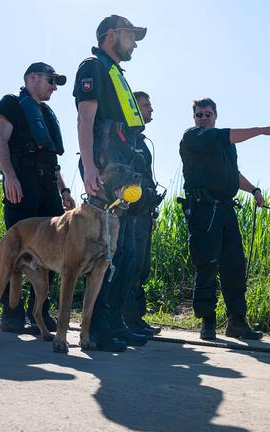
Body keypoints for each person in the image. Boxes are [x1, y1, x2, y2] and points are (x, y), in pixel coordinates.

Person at [73, 15, 152, 352]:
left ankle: (115, 320)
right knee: (110, 250)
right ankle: (97, 328)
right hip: (106, 169)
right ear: (110, 36)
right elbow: (85, 117)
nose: (134, 42)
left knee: (129, 252)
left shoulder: (116, 72)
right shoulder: (93, 67)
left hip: (124, 167)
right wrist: (90, 167)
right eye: (130, 35)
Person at [179, 98, 270, 340]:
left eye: (208, 114)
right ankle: (208, 323)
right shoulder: (193, 137)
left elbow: (233, 174)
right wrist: (262, 130)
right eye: (199, 114)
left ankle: (237, 323)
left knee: (235, 266)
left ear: (216, 115)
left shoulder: (227, 145)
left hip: (227, 211)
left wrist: (254, 190)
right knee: (207, 264)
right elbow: (227, 135)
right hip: (204, 210)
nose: (204, 118)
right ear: (194, 118)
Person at [0, 62, 75, 334]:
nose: (54, 87)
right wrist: (9, 176)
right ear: (31, 78)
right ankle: (11, 315)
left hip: (48, 187)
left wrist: (64, 191)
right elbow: (0, 140)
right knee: (16, 252)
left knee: (52, 250)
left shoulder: (46, 114)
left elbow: (52, 160)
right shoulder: (12, 104)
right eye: (50, 80)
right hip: (23, 184)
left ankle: (38, 311)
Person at [122, 91, 163, 337]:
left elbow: (147, 178)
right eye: (146, 105)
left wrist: (153, 213)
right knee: (132, 264)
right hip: (131, 213)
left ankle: (137, 318)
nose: (151, 110)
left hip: (145, 213)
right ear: (134, 108)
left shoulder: (143, 142)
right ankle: (129, 321)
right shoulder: (125, 138)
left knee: (143, 266)